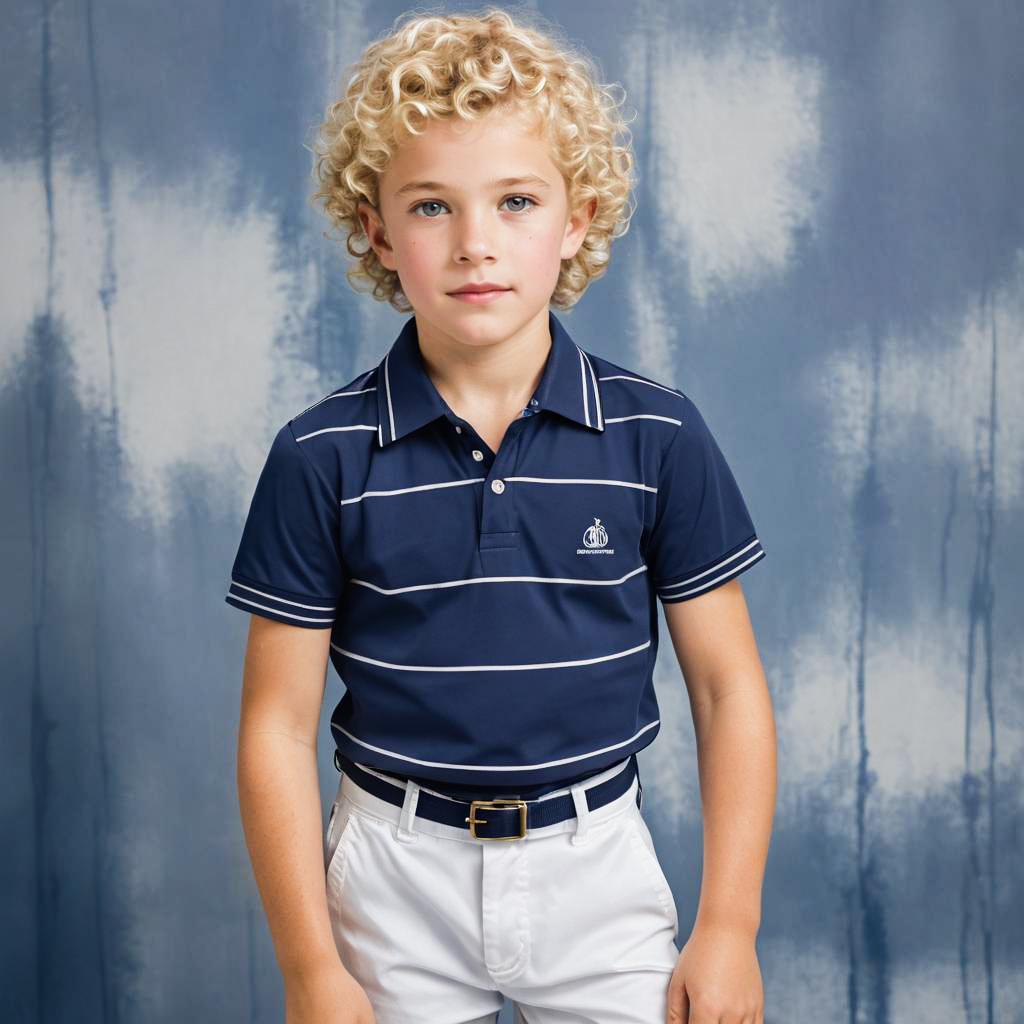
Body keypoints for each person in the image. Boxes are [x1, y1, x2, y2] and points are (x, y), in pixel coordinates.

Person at [225, 7, 776, 1024]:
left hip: (596, 869)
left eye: (515, 199)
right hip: (390, 876)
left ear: (575, 218)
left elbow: (726, 684)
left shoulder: (657, 433)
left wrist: (729, 924)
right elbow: (274, 724)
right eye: (431, 207)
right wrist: (311, 967)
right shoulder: (320, 454)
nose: (475, 243)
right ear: (377, 232)